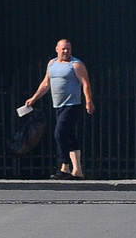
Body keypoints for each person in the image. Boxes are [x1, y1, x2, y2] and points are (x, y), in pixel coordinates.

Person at [25, 39, 95, 180]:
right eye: (63, 49)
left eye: (68, 49)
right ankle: (78, 171)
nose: (65, 51)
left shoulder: (76, 65)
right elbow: (46, 83)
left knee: (59, 132)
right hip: (58, 105)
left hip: (72, 105)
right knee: (69, 136)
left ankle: (64, 166)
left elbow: (85, 83)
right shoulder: (52, 64)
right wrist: (34, 98)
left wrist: (88, 101)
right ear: (57, 49)